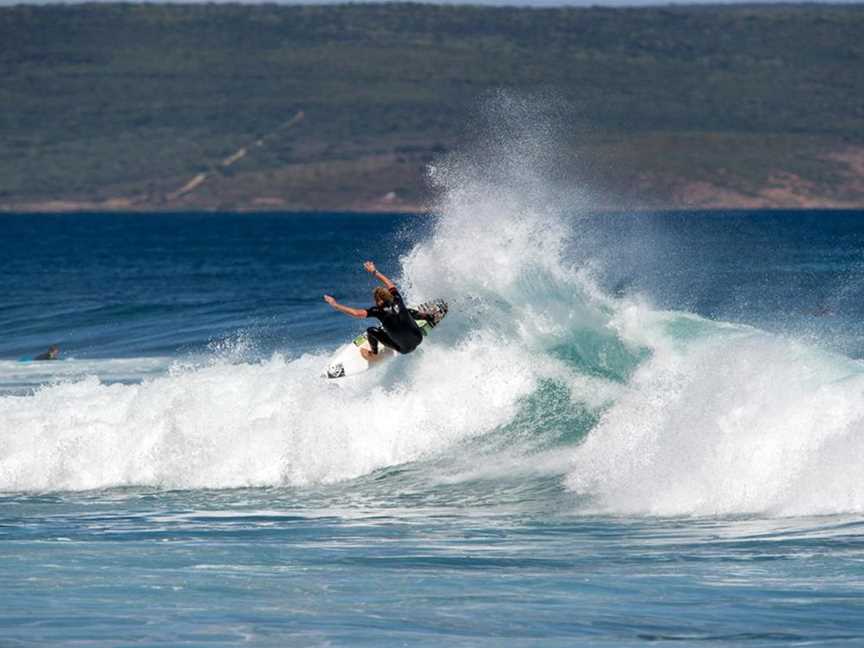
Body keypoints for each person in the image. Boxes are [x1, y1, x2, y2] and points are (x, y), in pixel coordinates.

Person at [324, 261, 433, 361]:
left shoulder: (377, 311)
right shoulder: (397, 299)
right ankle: (427, 316)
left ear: (378, 300)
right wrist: (374, 271)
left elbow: (356, 313)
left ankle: (373, 353)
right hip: (419, 338)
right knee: (406, 311)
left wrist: (335, 305)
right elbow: (389, 283)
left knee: (371, 330)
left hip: (404, 349)